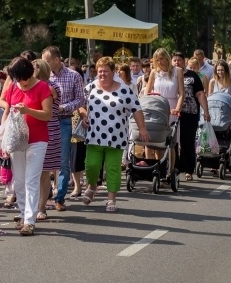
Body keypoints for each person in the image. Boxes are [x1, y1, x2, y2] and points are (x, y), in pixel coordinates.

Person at [81, 57, 150, 212]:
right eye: (99, 71)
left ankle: (111, 198)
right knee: (91, 165)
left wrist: (143, 128)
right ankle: (92, 186)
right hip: (94, 135)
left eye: (106, 71)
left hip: (116, 136)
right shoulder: (91, 87)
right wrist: (84, 115)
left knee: (113, 168)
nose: (102, 74)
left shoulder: (124, 90)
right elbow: (80, 105)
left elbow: (137, 109)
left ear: (113, 72)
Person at [0, 56, 53, 236]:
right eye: (15, 78)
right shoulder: (14, 86)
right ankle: (22, 213)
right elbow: (6, 108)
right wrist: (2, 139)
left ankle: (30, 220)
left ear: (28, 75)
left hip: (37, 140)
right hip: (17, 139)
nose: (18, 82)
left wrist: (28, 110)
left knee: (31, 180)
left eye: (20, 78)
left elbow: (47, 115)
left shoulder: (42, 87)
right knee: (19, 180)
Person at [42, 45, 85, 210]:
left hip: (64, 121)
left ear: (56, 59)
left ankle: (59, 198)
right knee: (44, 160)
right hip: (45, 121)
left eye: (46, 61)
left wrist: (62, 107)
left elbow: (80, 100)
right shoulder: (44, 78)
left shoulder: (73, 76)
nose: (44, 65)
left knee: (62, 161)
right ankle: (44, 196)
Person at [146, 48, 184, 173]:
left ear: (167, 58)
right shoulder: (154, 73)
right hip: (157, 107)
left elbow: (181, 94)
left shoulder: (177, 71)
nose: (159, 62)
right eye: (157, 60)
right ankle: (160, 169)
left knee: (170, 142)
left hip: (171, 106)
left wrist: (177, 108)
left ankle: (171, 169)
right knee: (157, 141)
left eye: (161, 59)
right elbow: (147, 92)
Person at [33, 59, 61, 220]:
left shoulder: (50, 87)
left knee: (44, 172)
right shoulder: (32, 87)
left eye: (33, 68)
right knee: (33, 173)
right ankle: (33, 205)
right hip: (35, 131)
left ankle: (41, 207)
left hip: (49, 130)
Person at [177, 55, 211, 181]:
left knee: (187, 141)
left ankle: (188, 169)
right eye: (174, 60)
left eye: (179, 60)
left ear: (184, 61)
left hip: (190, 112)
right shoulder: (170, 75)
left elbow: (200, 93)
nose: (176, 62)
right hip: (172, 113)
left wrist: (206, 111)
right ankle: (175, 166)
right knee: (173, 141)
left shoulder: (192, 75)